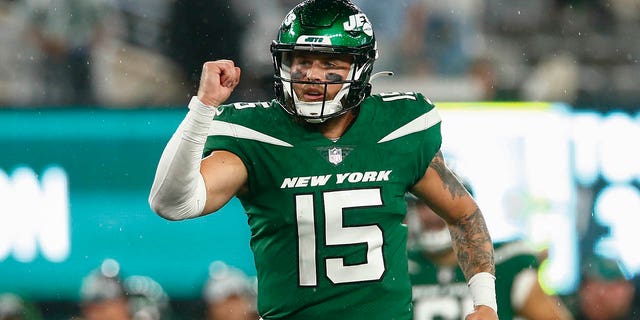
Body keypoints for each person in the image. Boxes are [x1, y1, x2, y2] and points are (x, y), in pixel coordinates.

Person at [148, 1, 497, 319]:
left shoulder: (398, 129)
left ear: (359, 68)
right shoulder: (257, 136)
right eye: (301, 61)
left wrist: (485, 304)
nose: (312, 75)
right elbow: (171, 203)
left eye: (329, 63)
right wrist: (203, 107)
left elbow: (464, 215)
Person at [406, 177, 574, 319]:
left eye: (436, 203)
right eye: (421, 205)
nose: (429, 214)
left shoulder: (508, 263)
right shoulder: (399, 264)